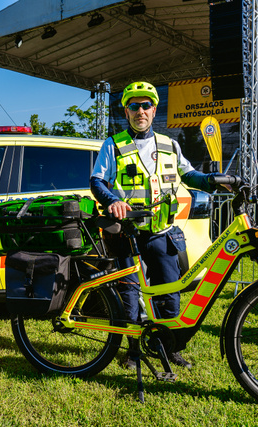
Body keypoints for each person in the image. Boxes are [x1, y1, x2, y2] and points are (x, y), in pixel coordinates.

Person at [90, 81, 220, 370]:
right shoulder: (113, 145)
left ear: (154, 109)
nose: (140, 111)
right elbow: (97, 181)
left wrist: (212, 180)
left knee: (170, 294)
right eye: (134, 106)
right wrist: (112, 200)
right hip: (128, 234)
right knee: (129, 296)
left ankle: (169, 348)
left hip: (162, 233)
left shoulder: (169, 144)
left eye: (146, 105)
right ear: (126, 111)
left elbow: (190, 175)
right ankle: (133, 352)